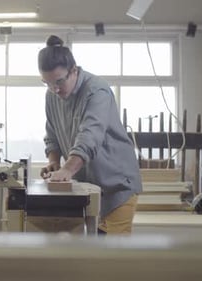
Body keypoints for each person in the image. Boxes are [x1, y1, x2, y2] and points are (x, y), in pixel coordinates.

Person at [38, 35, 142, 235]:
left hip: (116, 186)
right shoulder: (52, 94)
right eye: (47, 83)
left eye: (59, 81)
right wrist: (54, 161)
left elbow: (90, 135)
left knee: (110, 257)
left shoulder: (97, 91)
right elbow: (52, 132)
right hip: (87, 187)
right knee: (88, 253)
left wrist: (67, 169)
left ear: (74, 71)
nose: (55, 89)